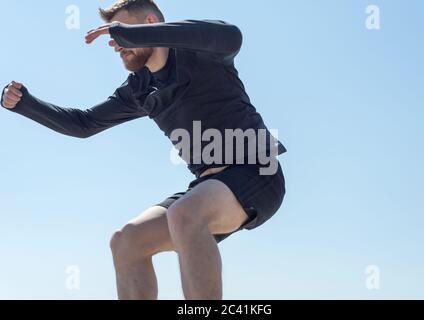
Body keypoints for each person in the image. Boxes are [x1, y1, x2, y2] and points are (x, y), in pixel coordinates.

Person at [1, 0, 287, 300]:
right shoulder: (139, 89)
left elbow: (232, 35)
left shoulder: (202, 55)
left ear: (151, 22)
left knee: (184, 214)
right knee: (126, 241)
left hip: (258, 172)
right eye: (114, 36)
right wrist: (25, 105)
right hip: (208, 187)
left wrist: (135, 35)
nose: (116, 43)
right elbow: (84, 124)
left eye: (122, 32)